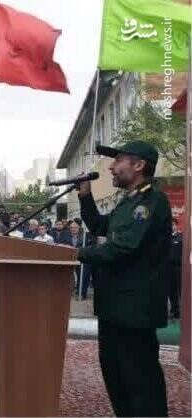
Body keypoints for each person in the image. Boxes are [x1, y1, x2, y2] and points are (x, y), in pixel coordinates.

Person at [77, 140, 171, 417]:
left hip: (135, 311)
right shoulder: (127, 202)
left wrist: (75, 254)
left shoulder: (151, 200)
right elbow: (98, 226)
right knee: (117, 380)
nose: (111, 167)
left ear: (139, 165)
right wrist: (84, 196)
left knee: (140, 383)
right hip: (114, 309)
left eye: (118, 161)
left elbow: (124, 247)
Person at [164, 219, 183, 319]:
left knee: (180, 290)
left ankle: (182, 312)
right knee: (170, 290)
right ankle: (174, 311)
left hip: (179, 268)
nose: (172, 227)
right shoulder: (166, 238)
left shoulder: (181, 237)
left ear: (176, 225)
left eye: (173, 225)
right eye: (170, 225)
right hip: (167, 268)